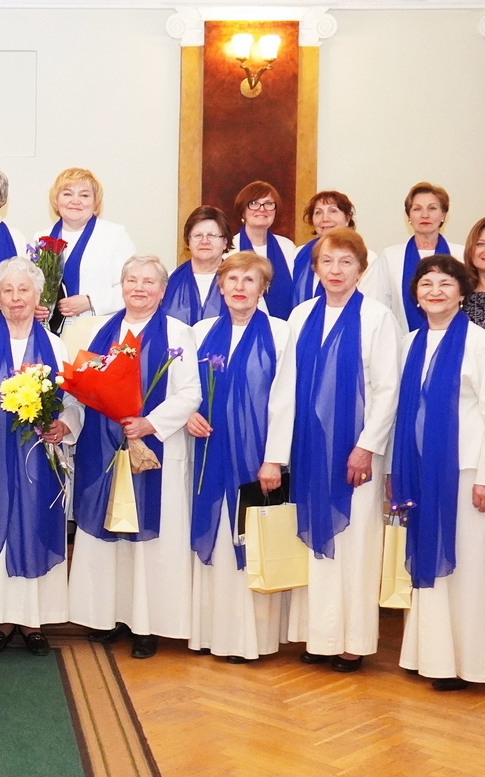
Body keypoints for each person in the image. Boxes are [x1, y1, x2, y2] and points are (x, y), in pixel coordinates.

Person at [260, 227, 401, 672]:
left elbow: (387, 390)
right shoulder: (301, 315)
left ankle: (352, 642)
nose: (335, 270)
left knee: (354, 543)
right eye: (327, 261)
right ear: (316, 268)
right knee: (311, 540)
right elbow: (285, 389)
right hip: (308, 449)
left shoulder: (377, 318)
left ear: (361, 269)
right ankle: (317, 635)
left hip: (354, 452)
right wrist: (276, 455)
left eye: (346, 262)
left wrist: (366, 447)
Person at [0, 257, 83, 655]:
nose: (16, 297)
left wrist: (65, 425)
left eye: (24, 290)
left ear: (38, 296)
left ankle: (33, 622)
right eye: (8, 290)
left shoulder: (55, 345)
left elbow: (74, 401)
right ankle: (1, 621)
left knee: (36, 529)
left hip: (41, 461)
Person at [68, 256, 203, 658]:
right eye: (131, 280)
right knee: (107, 535)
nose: (139, 288)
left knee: (149, 544)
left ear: (163, 290)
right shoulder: (98, 331)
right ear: (122, 286)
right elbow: (83, 388)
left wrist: (149, 423)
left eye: (148, 281)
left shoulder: (177, 333)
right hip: (104, 449)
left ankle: (147, 625)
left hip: (154, 449)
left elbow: (190, 392)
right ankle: (107, 616)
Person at [391, 255, 485, 691]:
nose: (436, 291)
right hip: (421, 471)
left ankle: (471, 663)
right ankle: (429, 655)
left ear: (462, 293)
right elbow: (401, 412)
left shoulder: (480, 344)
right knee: (428, 560)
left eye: (445, 283)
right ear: (416, 296)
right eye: (427, 284)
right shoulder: (409, 343)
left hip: (465, 473)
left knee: (470, 565)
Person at [185, 251, 290, 664]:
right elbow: (185, 389)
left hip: (255, 456)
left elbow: (284, 401)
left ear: (263, 288)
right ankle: (210, 634)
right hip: (208, 454)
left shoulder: (281, 333)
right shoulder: (200, 332)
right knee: (216, 537)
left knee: (250, 540)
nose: (240, 287)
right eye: (232, 279)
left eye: (250, 280)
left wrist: (274, 459)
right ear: (221, 285)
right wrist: (188, 414)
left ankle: (250, 641)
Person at [36, 168, 135, 330]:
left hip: (98, 328)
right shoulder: (40, 239)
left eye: (84, 195)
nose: (75, 201)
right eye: (67, 194)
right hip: (48, 332)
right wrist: (34, 306)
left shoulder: (115, 235)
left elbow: (132, 287)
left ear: (96, 202)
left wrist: (91, 301)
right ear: (56, 200)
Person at [361, 182, 464, 334]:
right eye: (417, 209)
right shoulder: (390, 257)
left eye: (432, 208)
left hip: (455, 338)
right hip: (404, 342)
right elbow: (376, 304)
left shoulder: (461, 255)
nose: (425, 215)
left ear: (443, 214)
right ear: (409, 216)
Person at [230, 181, 299, 319]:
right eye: (254, 203)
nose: (262, 209)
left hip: (285, 326)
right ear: (243, 211)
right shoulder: (229, 248)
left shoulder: (287, 247)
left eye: (268, 204)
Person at [159, 206, 231, 325]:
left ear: (225, 242)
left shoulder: (240, 282)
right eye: (198, 235)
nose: (204, 241)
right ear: (188, 241)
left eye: (212, 235)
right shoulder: (167, 281)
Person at [292, 191, 356, 305]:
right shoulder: (298, 254)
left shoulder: (365, 257)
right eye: (318, 212)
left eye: (333, 211)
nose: (325, 218)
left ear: (347, 218)